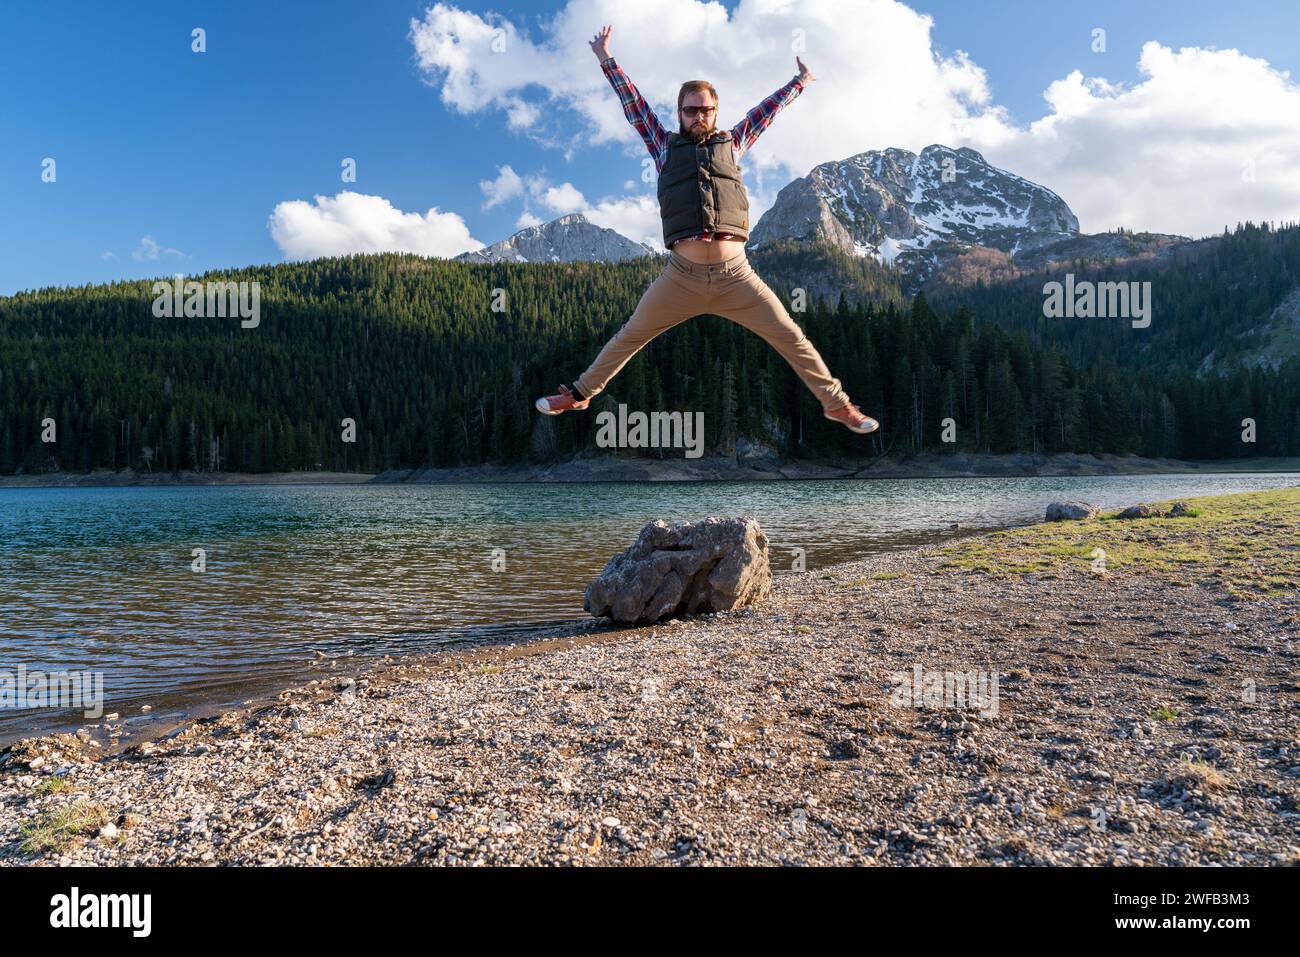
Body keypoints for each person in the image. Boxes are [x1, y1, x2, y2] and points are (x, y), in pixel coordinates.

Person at [535, 24, 878, 435]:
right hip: (682, 278)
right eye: (691, 110)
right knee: (629, 337)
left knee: (792, 337)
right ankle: (580, 394)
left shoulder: (733, 143)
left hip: (738, 276)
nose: (699, 116)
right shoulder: (664, 147)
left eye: (706, 109)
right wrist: (605, 59)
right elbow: (634, 105)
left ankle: (838, 406)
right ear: (679, 114)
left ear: (716, 111)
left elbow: (768, 111)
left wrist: (801, 81)